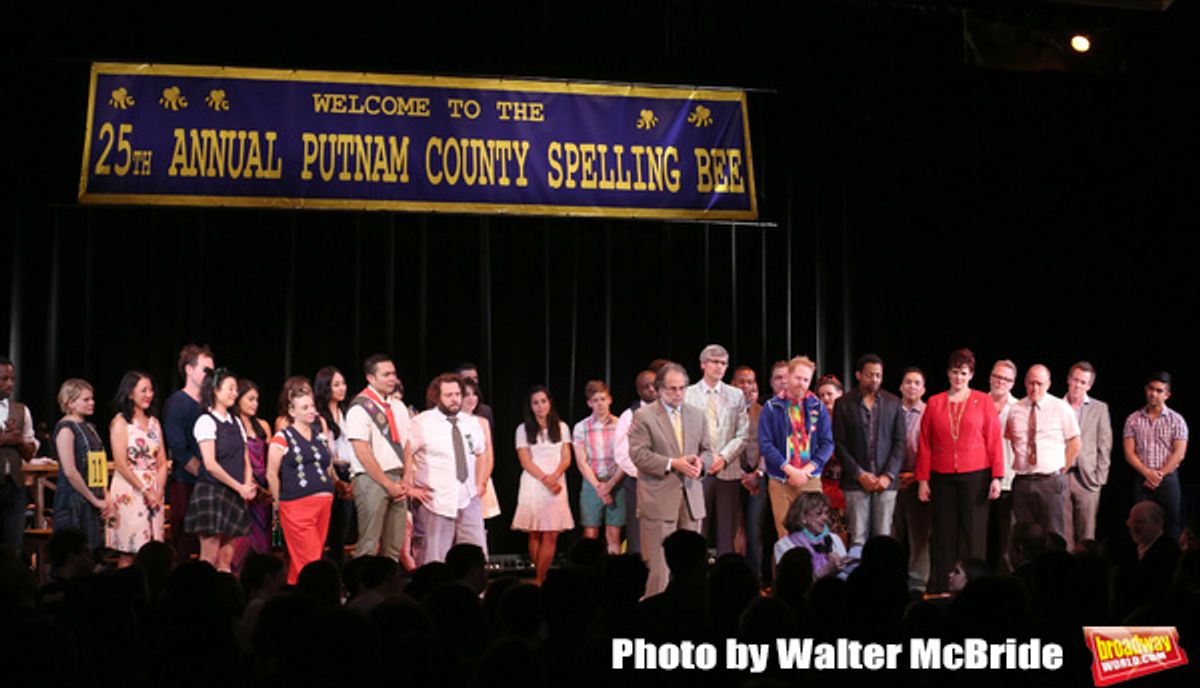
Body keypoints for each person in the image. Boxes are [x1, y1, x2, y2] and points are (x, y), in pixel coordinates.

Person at [916, 348, 1004, 594]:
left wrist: (997, 477)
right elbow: (925, 444)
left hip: (976, 474)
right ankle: (943, 586)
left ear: (971, 374)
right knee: (944, 534)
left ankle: (975, 588)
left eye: (963, 373)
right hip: (942, 476)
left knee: (974, 534)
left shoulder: (983, 401)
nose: (958, 377)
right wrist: (923, 480)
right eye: (955, 372)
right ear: (947, 373)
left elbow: (994, 440)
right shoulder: (934, 402)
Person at [628, 361, 712, 597]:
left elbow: (707, 449)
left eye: (682, 388)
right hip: (658, 500)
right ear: (659, 389)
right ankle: (653, 618)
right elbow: (638, 455)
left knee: (692, 568)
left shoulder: (697, 414)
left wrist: (700, 463)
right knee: (658, 569)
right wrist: (672, 463)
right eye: (672, 389)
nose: (678, 394)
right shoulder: (644, 416)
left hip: (691, 497)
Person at [346, 355, 418, 560]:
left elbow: (407, 445)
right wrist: (388, 484)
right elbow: (362, 451)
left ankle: (387, 587)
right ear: (370, 378)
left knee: (394, 545)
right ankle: (360, 589)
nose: (392, 379)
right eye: (386, 374)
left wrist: (405, 480)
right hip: (372, 479)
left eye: (393, 373)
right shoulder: (359, 408)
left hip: (398, 478)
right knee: (369, 543)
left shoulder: (398, 406)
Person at [411, 373, 488, 565]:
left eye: (457, 394)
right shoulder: (422, 422)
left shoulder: (471, 423)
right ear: (437, 397)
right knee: (435, 559)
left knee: (475, 556)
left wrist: (479, 483)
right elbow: (404, 456)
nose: (454, 399)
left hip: (468, 498)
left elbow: (481, 453)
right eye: (448, 395)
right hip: (436, 501)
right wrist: (411, 488)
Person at [186, 367, 257, 571]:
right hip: (213, 493)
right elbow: (210, 464)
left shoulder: (236, 422)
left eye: (236, 389)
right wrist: (239, 487)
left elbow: (245, 458)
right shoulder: (206, 421)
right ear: (216, 390)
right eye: (231, 388)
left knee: (226, 558)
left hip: (234, 494)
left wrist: (247, 483)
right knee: (209, 556)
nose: (235, 393)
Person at [832, 354, 907, 547]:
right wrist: (859, 474)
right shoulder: (843, 404)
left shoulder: (894, 403)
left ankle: (881, 577)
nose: (874, 380)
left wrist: (888, 475)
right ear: (858, 375)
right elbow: (839, 444)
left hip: (886, 483)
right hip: (856, 482)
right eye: (869, 375)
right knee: (858, 538)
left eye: (878, 375)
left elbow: (900, 443)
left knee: (883, 537)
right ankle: (858, 577)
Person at [759, 356, 834, 540]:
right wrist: (790, 470)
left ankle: (815, 570)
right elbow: (766, 444)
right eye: (798, 378)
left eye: (806, 380)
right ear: (789, 377)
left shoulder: (818, 407)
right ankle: (786, 569)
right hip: (781, 479)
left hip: (810, 477)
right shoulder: (771, 407)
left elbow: (827, 444)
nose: (802, 383)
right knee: (785, 535)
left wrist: (806, 471)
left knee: (815, 534)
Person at [267, 385, 335, 584]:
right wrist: (277, 502)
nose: (311, 411)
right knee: (310, 559)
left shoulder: (319, 437)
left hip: (324, 504)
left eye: (312, 406)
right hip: (297, 505)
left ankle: (295, 595)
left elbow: (327, 467)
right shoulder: (283, 437)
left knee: (304, 560)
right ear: (292, 411)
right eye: (304, 407)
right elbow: (272, 473)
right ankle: (314, 597)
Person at [684, 344, 747, 557]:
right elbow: (683, 433)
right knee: (696, 529)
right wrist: (705, 460)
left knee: (727, 532)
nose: (720, 367)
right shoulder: (688, 394)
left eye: (723, 363)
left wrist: (723, 457)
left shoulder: (736, 395)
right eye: (715, 362)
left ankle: (725, 582)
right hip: (698, 470)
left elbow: (742, 434)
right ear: (703, 364)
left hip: (728, 470)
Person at [1005, 364, 1080, 541]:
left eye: (1039, 383)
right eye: (1031, 383)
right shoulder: (1016, 408)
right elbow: (1011, 439)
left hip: (1050, 481)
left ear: (1048, 384)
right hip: (1023, 482)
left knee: (1053, 535)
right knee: (1024, 536)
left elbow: (1075, 443)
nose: (1034, 388)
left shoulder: (1060, 407)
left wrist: (1062, 468)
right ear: (1024, 383)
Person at [512, 385, 574, 583]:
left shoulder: (562, 427)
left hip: (557, 483)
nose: (540, 406)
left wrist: (554, 477)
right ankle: (540, 579)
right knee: (535, 532)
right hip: (534, 484)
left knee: (551, 533)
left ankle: (540, 579)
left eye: (543, 401)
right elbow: (525, 461)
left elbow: (566, 458)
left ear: (550, 403)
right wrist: (546, 480)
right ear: (530, 406)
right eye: (535, 402)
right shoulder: (522, 429)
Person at [106, 371, 168, 566]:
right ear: (130, 393)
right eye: (143, 390)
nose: (149, 394)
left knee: (152, 552)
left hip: (153, 490)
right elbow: (121, 464)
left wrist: (158, 490)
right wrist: (144, 491)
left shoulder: (154, 424)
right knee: (129, 551)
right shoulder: (121, 422)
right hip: (130, 489)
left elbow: (163, 462)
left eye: (151, 390)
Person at [162, 343, 214, 562]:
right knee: (185, 541)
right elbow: (180, 449)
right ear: (189, 370)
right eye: (205, 370)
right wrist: (204, 474)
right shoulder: (177, 403)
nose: (209, 376)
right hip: (187, 483)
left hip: (210, 482)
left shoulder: (211, 404)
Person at [1123, 371, 1188, 543]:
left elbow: (1179, 453)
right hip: (1142, 479)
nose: (1153, 394)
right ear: (1146, 389)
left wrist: (1158, 475)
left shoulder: (1177, 420)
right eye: (1151, 389)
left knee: (1172, 526)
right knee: (1141, 525)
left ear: (1167, 395)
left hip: (1167, 479)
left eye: (1159, 391)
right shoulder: (1133, 419)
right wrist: (1147, 473)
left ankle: (1171, 564)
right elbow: (1129, 453)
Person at [52, 379, 108, 553]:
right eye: (86, 399)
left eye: (92, 398)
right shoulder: (66, 428)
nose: (92, 403)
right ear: (70, 403)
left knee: (94, 551)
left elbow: (99, 464)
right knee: (74, 550)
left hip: (94, 495)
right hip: (74, 499)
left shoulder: (89, 427)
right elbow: (70, 471)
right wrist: (95, 500)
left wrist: (106, 496)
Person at [1062, 361, 1112, 547]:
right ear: (1068, 379)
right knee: (1064, 533)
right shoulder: (1057, 405)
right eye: (1075, 380)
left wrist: (1100, 478)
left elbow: (1105, 444)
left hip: (1088, 478)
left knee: (1086, 534)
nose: (1078, 385)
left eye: (1083, 382)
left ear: (1089, 385)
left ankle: (1086, 572)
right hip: (1062, 475)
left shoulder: (1099, 408)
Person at [573, 381, 624, 554]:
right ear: (589, 403)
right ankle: (590, 572)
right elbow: (581, 462)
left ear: (610, 400)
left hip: (616, 482)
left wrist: (609, 486)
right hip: (592, 483)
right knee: (590, 532)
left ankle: (613, 571)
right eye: (595, 400)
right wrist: (599, 488)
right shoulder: (581, 427)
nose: (600, 403)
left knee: (614, 533)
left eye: (603, 399)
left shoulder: (621, 425)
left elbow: (625, 459)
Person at [892, 367, 930, 592]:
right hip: (891, 480)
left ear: (923, 389)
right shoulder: (889, 410)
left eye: (917, 383)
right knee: (894, 533)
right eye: (908, 382)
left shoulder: (929, 412)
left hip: (919, 481)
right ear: (901, 387)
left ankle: (917, 583)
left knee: (920, 535)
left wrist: (917, 475)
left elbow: (932, 448)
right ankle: (893, 579)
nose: (912, 386)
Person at [613, 369, 659, 554]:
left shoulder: (672, 412)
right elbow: (622, 454)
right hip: (639, 481)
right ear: (639, 391)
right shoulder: (628, 416)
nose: (652, 390)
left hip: (666, 481)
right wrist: (644, 473)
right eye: (646, 387)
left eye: (654, 385)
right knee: (637, 533)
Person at [314, 366, 356, 566]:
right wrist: (336, 479)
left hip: (349, 470)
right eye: (336, 384)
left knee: (343, 529)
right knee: (328, 528)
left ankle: (338, 573)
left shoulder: (347, 411)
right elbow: (324, 452)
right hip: (331, 471)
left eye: (343, 383)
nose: (342, 388)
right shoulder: (319, 416)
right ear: (325, 387)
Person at [731, 365, 767, 580]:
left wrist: (758, 473)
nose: (746, 386)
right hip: (732, 476)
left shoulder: (763, 412)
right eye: (741, 382)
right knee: (735, 528)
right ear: (732, 385)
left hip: (757, 477)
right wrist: (739, 474)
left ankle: (755, 578)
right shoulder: (725, 412)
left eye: (750, 382)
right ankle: (735, 577)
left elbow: (768, 446)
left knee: (755, 530)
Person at [0, 355, 38, 552]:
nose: (10, 383)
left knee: (13, 545)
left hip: (14, 486)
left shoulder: (21, 410)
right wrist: (3, 440)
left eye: (12, 379)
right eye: (4, 379)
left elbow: (29, 453)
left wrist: (19, 440)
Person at [233, 380, 273, 564]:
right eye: (250, 399)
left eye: (257, 399)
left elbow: (271, 459)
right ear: (238, 399)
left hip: (263, 491)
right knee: (241, 543)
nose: (255, 404)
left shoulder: (262, 425)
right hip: (243, 487)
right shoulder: (232, 425)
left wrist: (269, 489)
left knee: (262, 543)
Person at [986, 359, 1019, 572]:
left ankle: (1003, 581)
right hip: (979, 478)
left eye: (1006, 379)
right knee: (980, 535)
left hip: (1009, 480)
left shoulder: (1019, 407)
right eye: (998, 376)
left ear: (1013, 383)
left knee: (1006, 537)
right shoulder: (977, 402)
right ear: (990, 377)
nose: (1001, 382)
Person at [773, 491, 852, 580]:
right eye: (819, 513)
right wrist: (826, 571)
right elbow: (792, 584)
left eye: (826, 513)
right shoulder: (784, 545)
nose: (825, 518)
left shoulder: (834, 539)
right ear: (803, 518)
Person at [461, 378, 500, 524]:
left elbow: (488, 454)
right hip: (462, 480)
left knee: (479, 525)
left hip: (481, 478)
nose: (471, 398)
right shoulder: (451, 422)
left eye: (474, 394)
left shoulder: (483, 422)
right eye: (467, 394)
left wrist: (482, 482)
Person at [456, 363, 496, 432]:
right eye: (468, 379)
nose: (473, 382)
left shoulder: (485, 411)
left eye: (475, 378)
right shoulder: (451, 410)